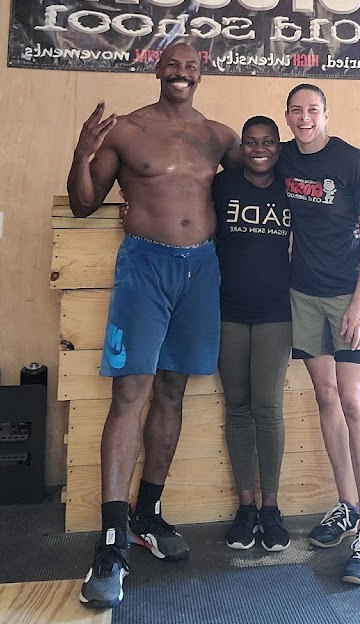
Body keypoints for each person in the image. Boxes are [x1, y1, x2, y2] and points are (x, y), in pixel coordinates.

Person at [67, 42, 241, 609]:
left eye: (191, 66)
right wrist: (81, 153)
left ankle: (148, 514)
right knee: (130, 394)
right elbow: (83, 203)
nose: (181, 73)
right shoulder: (126, 130)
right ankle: (112, 541)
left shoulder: (221, 137)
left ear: (201, 74)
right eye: (172, 64)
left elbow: (267, 175)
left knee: (172, 389)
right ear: (156, 68)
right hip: (144, 267)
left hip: (202, 269)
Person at [277, 83, 360, 586]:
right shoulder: (281, 159)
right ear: (287, 116)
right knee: (326, 396)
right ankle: (346, 504)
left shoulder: (352, 161)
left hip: (347, 296)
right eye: (296, 111)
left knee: (354, 399)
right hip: (303, 295)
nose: (305, 118)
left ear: (326, 114)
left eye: (313, 110)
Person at [212, 116, 293, 553]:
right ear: (241, 148)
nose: (259, 149)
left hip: (275, 311)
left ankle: (270, 509)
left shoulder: (291, 188)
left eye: (268, 141)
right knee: (238, 407)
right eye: (251, 142)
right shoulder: (222, 185)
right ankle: (246, 508)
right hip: (228, 310)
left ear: (279, 146)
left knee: (268, 406)